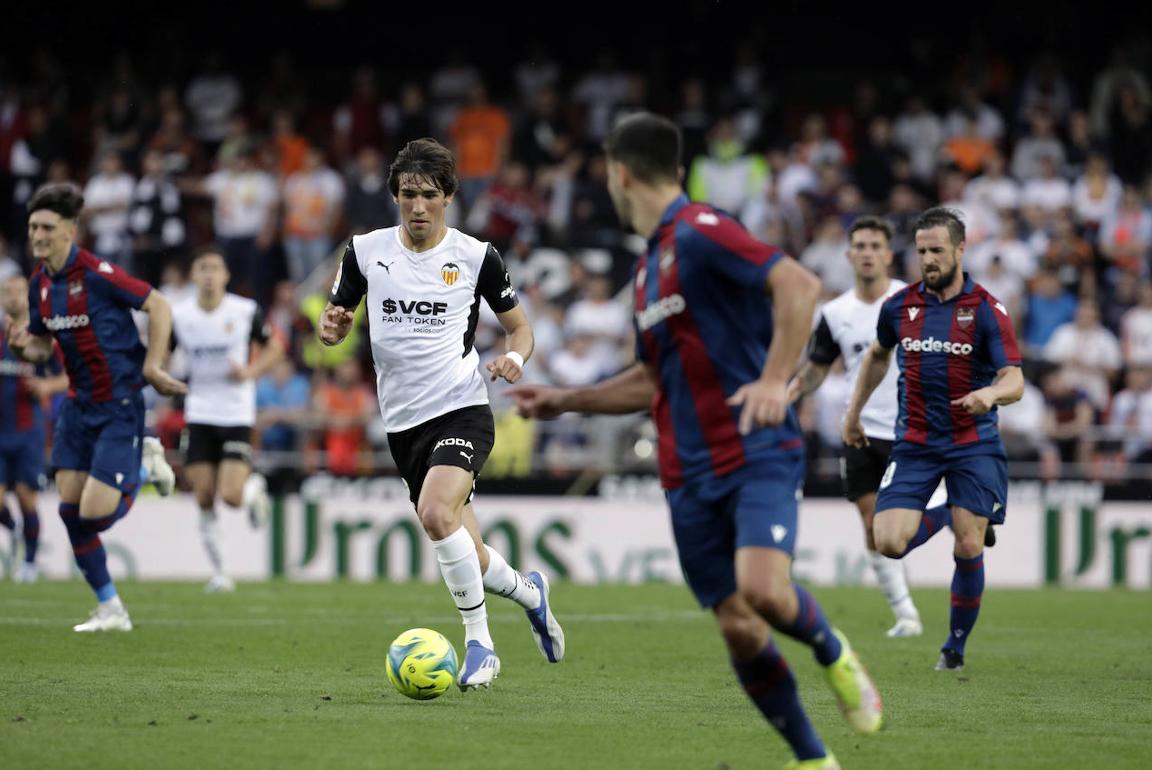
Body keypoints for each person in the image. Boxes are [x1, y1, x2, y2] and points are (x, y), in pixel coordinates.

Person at [509, 113, 880, 770]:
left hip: (754, 446)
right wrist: (565, 399)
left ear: (620, 175)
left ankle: (833, 653)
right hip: (686, 472)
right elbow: (652, 379)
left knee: (763, 590)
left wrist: (773, 380)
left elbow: (799, 283)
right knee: (738, 626)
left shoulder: (701, 230)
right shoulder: (648, 270)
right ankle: (813, 760)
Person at [320, 138, 564, 691]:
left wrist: (514, 357)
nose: (419, 206)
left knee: (435, 513)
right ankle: (529, 592)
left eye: (430, 194)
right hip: (402, 424)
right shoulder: (364, 251)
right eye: (409, 194)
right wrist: (330, 330)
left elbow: (520, 327)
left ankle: (480, 644)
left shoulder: (477, 256)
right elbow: (337, 319)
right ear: (396, 196)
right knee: (465, 548)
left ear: (449, 197)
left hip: (462, 407)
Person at [842, 207, 1023, 672]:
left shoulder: (985, 309)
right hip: (916, 443)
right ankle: (949, 512)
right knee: (887, 542)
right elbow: (878, 356)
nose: (928, 259)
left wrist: (989, 393)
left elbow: (1014, 380)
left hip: (973, 443)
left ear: (961, 249)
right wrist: (854, 413)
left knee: (968, 545)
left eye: (937, 250)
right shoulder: (900, 307)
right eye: (922, 251)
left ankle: (954, 649)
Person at [7, 183, 185, 632]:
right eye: (33, 227)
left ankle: (143, 468)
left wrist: (153, 365)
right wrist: (22, 349)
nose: (38, 235)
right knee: (70, 512)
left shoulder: (97, 273)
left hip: (119, 403)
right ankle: (112, 609)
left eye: (47, 226)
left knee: (95, 513)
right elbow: (43, 350)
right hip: (77, 407)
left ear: (70, 230)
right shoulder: (39, 286)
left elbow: (158, 305)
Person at [788, 216, 928, 637]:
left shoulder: (914, 300)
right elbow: (816, 369)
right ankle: (905, 612)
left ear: (888, 254)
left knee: (905, 523)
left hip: (913, 429)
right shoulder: (834, 313)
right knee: (871, 523)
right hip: (860, 429)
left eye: (874, 246)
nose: (867, 253)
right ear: (849, 255)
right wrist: (788, 395)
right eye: (860, 246)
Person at [171, 247, 282, 593]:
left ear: (225, 276)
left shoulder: (244, 311)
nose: (208, 274)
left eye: (214, 268)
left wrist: (250, 371)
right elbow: (163, 353)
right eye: (202, 267)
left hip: (235, 412)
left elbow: (275, 347)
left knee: (230, 496)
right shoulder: (180, 315)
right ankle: (221, 573)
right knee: (203, 495)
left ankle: (253, 490)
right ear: (193, 275)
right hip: (199, 410)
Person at [0, 275, 67, 583]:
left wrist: (46, 385)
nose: (12, 297)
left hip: (29, 431)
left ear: (29, 297)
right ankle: (14, 531)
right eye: (6, 292)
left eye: (18, 292)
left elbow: (66, 377)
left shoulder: (43, 336)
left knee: (26, 498)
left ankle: (30, 564)